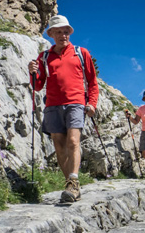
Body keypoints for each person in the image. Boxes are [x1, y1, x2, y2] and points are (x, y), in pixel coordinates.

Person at [28, 15, 98, 203]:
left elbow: (92, 82)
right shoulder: (44, 57)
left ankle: (73, 181)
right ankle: (70, 184)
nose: (63, 35)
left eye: (66, 31)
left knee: (73, 142)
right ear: (51, 34)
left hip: (76, 103)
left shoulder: (81, 53)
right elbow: (37, 86)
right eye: (58, 31)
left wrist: (92, 103)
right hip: (52, 105)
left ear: (70, 33)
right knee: (59, 144)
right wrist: (32, 72)